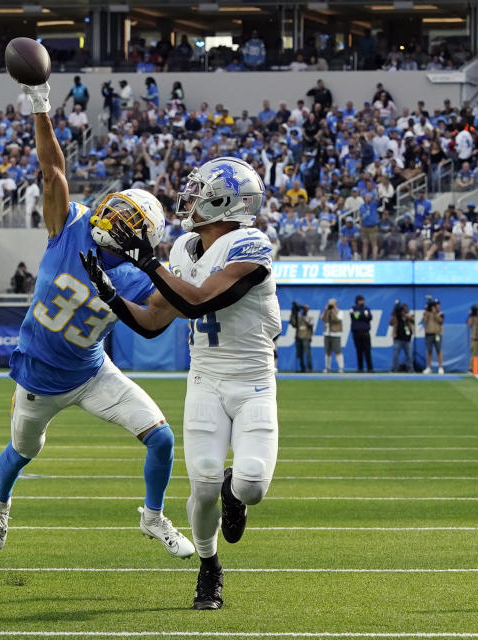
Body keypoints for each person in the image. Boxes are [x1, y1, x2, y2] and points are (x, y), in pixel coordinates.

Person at [0, 78, 194, 561]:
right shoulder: (69, 227)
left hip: (92, 372)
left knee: (161, 438)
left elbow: (161, 315)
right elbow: (52, 170)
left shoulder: (139, 274)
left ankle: (153, 517)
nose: (110, 215)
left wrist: (186, 269)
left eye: (125, 217)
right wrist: (40, 104)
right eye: (114, 207)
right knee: (21, 454)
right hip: (37, 378)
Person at [80, 156, 278, 611]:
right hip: (205, 379)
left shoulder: (252, 245)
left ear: (227, 202)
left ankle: (236, 492)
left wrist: (147, 262)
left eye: (200, 191)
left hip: (252, 383)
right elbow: (153, 323)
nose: (189, 198)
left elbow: (198, 301)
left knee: (250, 486)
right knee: (202, 483)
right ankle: (209, 567)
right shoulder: (184, 249)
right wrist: (111, 297)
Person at [350, 295, 373, 372]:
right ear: (357, 301)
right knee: (359, 351)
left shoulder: (367, 309)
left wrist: (361, 316)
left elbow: (369, 318)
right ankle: (360, 368)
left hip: (366, 332)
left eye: (363, 300)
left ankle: (370, 368)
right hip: (357, 332)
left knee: (367, 351)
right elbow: (355, 317)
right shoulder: (353, 308)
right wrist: (363, 316)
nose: (362, 302)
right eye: (360, 300)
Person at [422, 298, 445, 374]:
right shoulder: (427, 313)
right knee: (429, 351)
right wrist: (426, 311)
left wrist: (435, 313)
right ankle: (428, 367)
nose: (435, 306)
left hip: (437, 334)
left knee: (438, 350)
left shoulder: (440, 313)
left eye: (437, 305)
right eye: (434, 305)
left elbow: (440, 321)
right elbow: (424, 321)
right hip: (429, 333)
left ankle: (440, 367)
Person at [321, 298, 344, 373]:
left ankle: (341, 368)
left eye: (332, 304)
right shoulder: (327, 311)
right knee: (327, 351)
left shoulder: (340, 311)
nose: (330, 305)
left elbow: (337, 320)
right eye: (329, 303)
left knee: (337, 351)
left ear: (335, 304)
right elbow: (322, 319)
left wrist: (333, 311)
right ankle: (327, 368)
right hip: (327, 333)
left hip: (336, 334)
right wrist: (325, 310)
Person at [290, 302, 314, 372]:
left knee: (307, 353)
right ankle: (302, 368)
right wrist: (293, 313)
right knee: (299, 354)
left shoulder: (310, 317)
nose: (304, 310)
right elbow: (293, 324)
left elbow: (310, 324)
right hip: (298, 337)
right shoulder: (299, 317)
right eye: (304, 309)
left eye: (306, 309)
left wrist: (303, 317)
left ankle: (309, 368)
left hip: (306, 337)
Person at [390, 302, 413, 372]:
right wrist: (394, 313)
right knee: (395, 355)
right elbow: (390, 323)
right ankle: (394, 368)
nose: (404, 310)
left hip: (407, 339)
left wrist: (406, 316)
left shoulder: (409, 316)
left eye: (406, 309)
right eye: (403, 309)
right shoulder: (396, 316)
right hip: (398, 338)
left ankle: (410, 369)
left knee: (409, 355)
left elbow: (413, 320)